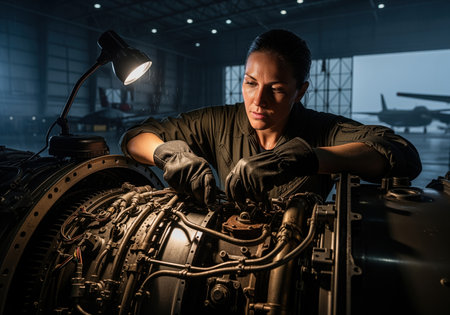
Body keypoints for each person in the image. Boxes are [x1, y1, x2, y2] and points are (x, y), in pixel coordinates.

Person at [120, 29, 422, 206]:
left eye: (275, 89)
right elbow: (135, 137)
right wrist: (166, 154)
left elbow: (400, 153)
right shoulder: (217, 122)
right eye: (250, 83)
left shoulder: (321, 129)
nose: (258, 101)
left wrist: (303, 159)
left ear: (299, 91)